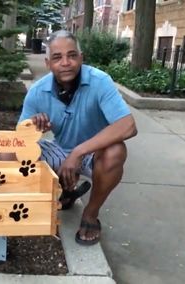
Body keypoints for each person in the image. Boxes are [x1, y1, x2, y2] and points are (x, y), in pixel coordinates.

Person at [15, 30, 137, 245]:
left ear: (81, 58)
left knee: (116, 151)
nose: (65, 63)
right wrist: (33, 128)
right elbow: (19, 140)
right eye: (57, 57)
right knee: (9, 154)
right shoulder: (37, 91)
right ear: (47, 63)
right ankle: (54, 196)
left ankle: (90, 213)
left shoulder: (100, 81)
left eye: (72, 55)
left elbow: (127, 126)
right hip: (59, 149)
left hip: (93, 154)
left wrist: (79, 152)